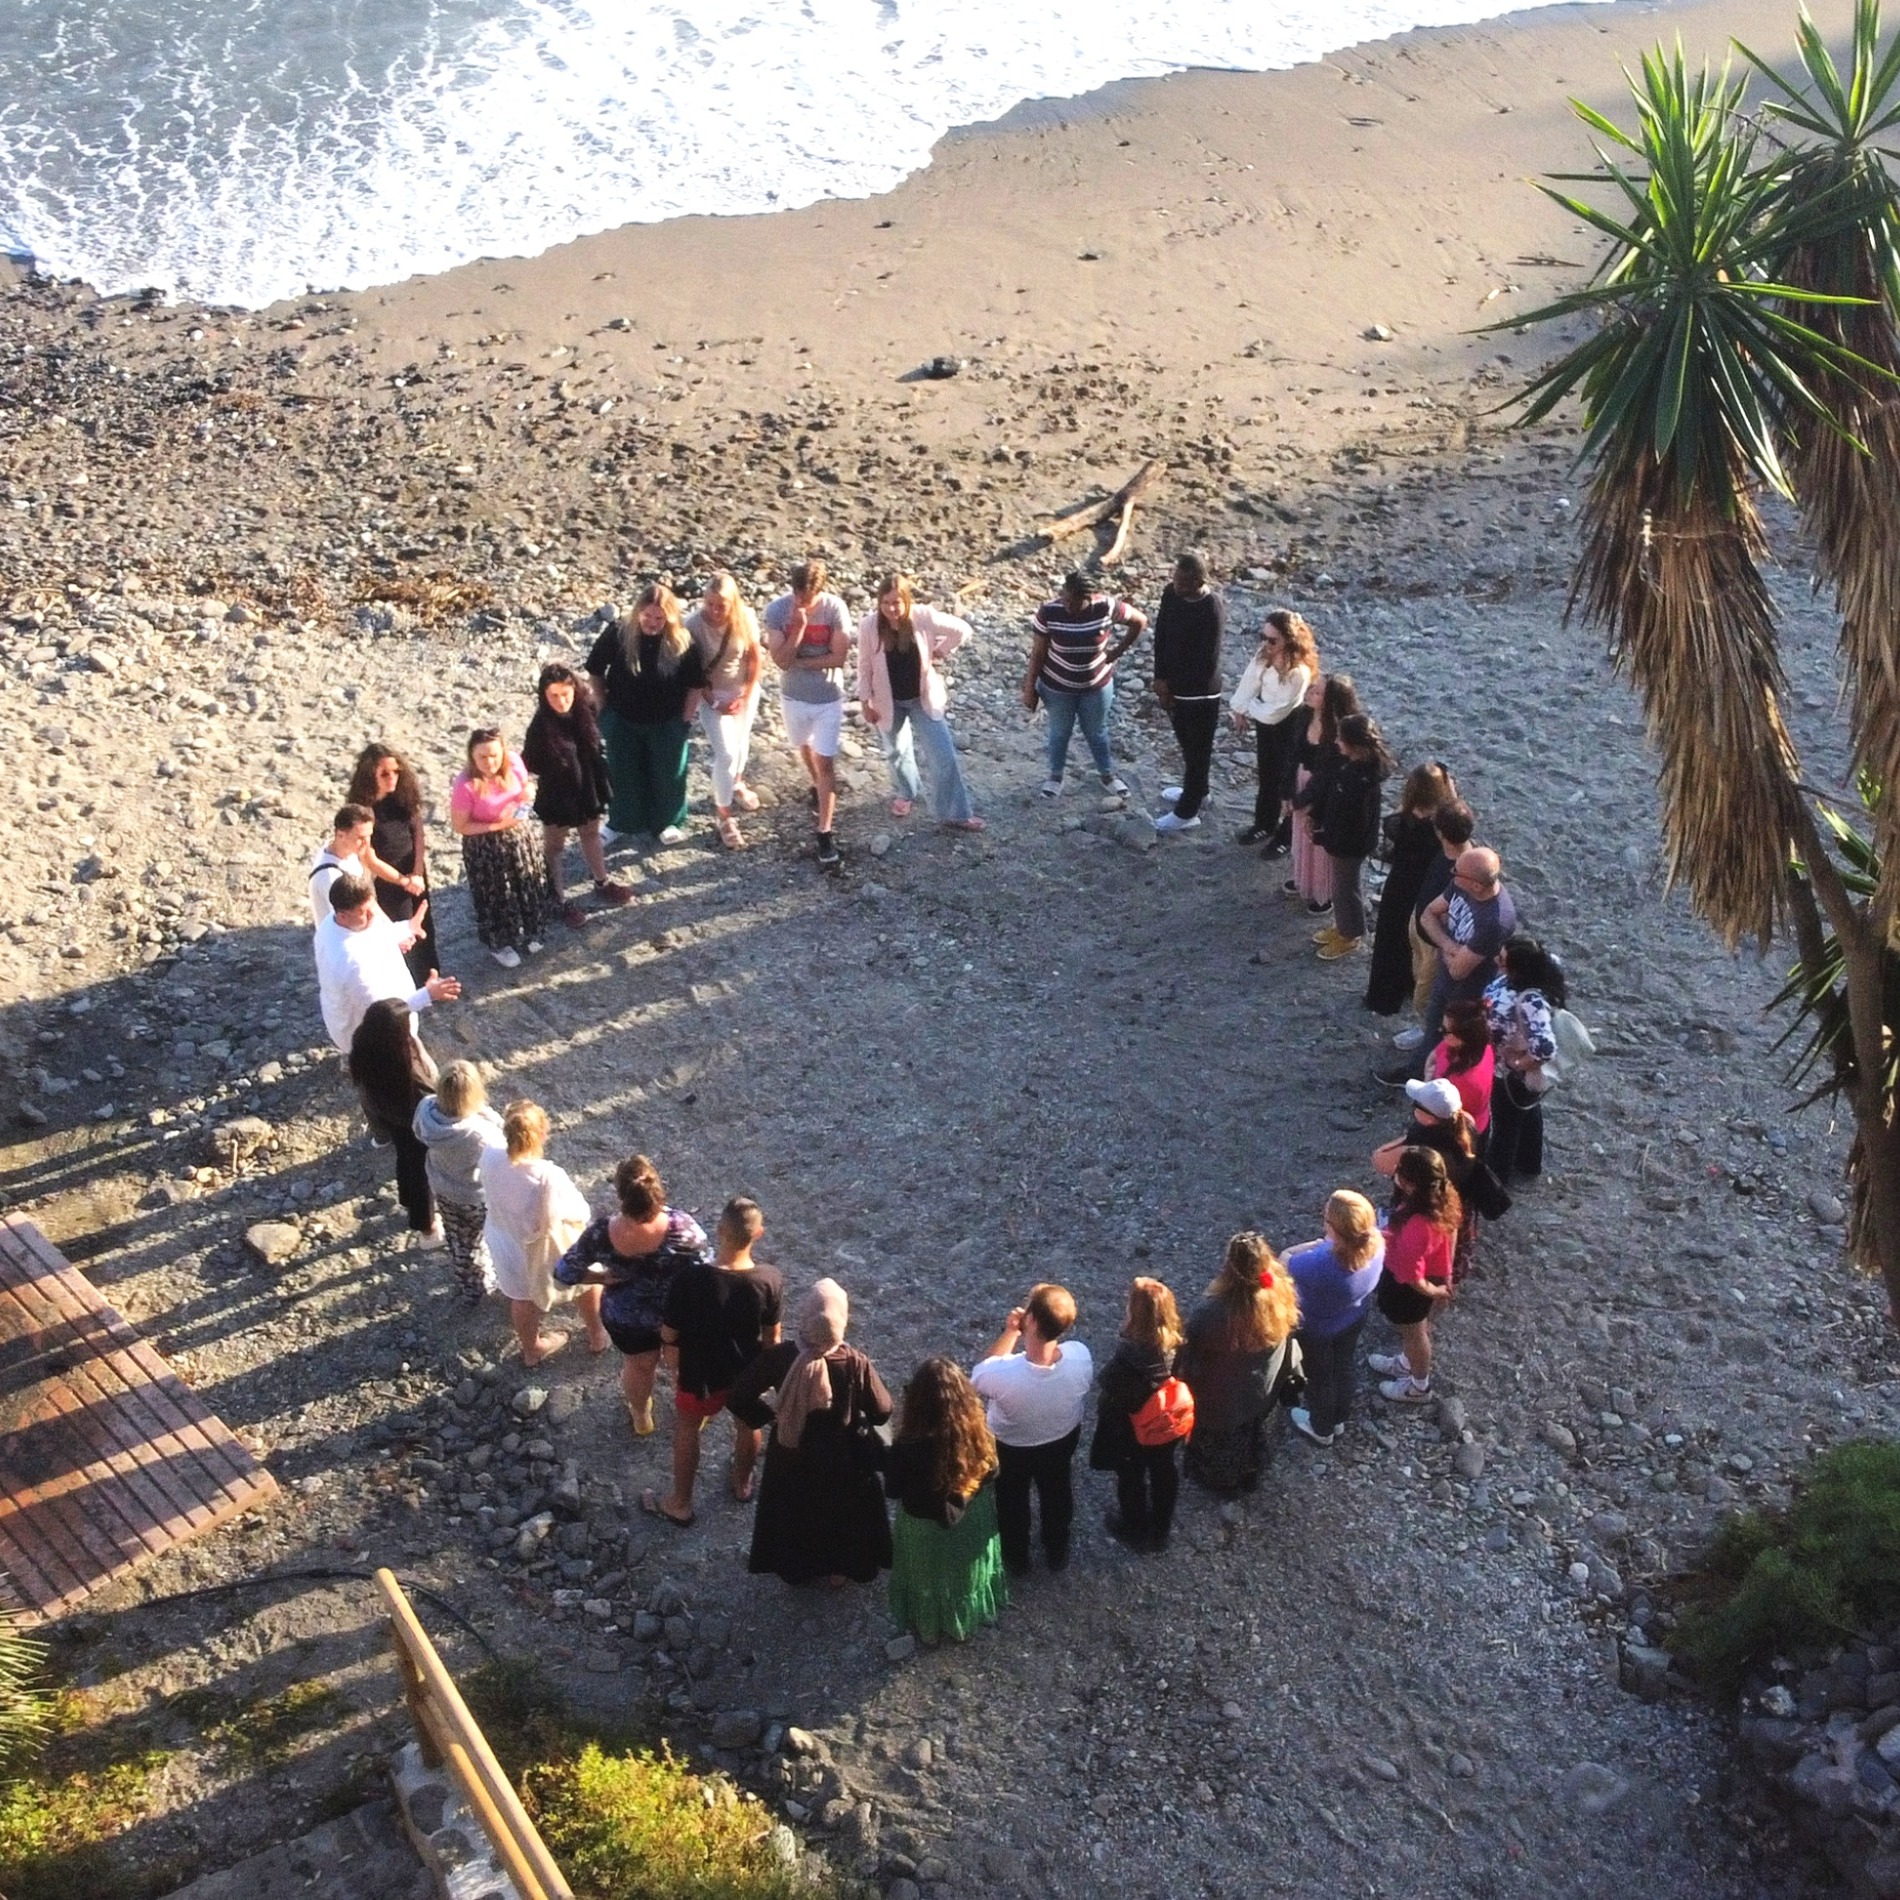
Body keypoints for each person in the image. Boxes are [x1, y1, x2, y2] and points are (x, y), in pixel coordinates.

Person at [729, 1276, 895, 1585]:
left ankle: (797, 1570)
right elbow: (883, 1410)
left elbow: (739, 1397)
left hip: (790, 1451)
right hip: (842, 1455)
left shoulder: (780, 1358)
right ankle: (837, 1570)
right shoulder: (855, 1363)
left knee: (794, 1510)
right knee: (839, 1511)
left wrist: (770, 1417)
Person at [644, 1197, 786, 1528]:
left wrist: (670, 1353)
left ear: (720, 1230)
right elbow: (773, 1340)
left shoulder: (689, 1280)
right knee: (747, 1425)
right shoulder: (770, 1279)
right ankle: (742, 1483)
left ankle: (680, 1503)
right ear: (759, 1233)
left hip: (701, 1373)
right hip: (746, 1374)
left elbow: (669, 1331)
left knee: (688, 1428)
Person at [554, 1155, 709, 1435]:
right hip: (677, 1313)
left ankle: (641, 1417)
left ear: (620, 1195)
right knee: (683, 1363)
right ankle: (690, 1414)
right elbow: (706, 1267)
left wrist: (600, 1277)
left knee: (638, 1367)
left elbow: (564, 1272)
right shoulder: (682, 1229)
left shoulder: (600, 1234)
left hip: (627, 1316)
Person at [970, 1284, 1092, 1577]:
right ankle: (1056, 1549)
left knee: (1012, 1500)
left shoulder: (1003, 1374)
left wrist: (1012, 1332)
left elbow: (982, 1371)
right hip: (1061, 1440)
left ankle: (1017, 1558)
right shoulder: (1080, 1356)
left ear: (1032, 1322)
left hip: (1012, 1447)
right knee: (1057, 1492)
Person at [885, 1357, 1008, 1644]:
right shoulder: (979, 1436)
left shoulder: (905, 1447)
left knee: (926, 1578)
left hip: (923, 1529)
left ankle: (929, 1627)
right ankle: (968, 1615)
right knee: (966, 1572)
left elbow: (892, 1490)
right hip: (972, 1521)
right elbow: (994, 1472)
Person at [479, 1100, 603, 1368]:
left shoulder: (489, 1154)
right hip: (543, 1248)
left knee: (522, 1298)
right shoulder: (549, 1175)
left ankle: (532, 1349)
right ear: (542, 1134)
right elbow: (579, 1211)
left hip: (505, 1241)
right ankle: (596, 1335)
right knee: (586, 1283)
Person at [856, 573, 985, 831]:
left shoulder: (923, 616)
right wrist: (864, 702)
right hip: (887, 699)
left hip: (921, 698)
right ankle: (906, 792)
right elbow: (864, 666)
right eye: (885, 603)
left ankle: (956, 814)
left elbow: (962, 629)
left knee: (943, 755)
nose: (891, 609)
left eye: (897, 603)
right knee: (896, 751)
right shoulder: (869, 626)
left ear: (906, 601)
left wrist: (941, 650)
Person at [1177, 1234, 1303, 1494]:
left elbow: (1190, 1354)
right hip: (1261, 1390)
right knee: (1251, 1431)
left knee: (1219, 1445)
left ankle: (1222, 1482)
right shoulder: (1279, 1294)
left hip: (1221, 1401)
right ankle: (1250, 1468)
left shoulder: (1212, 1314)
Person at [585, 582, 708, 847]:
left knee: (668, 774)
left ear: (669, 617)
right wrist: (603, 708)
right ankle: (620, 822)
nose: (652, 622)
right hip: (622, 718)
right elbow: (595, 669)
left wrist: (684, 722)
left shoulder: (682, 642)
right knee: (621, 771)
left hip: (667, 721)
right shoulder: (618, 633)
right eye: (648, 615)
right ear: (638, 611)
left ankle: (668, 822)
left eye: (659, 617)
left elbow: (695, 685)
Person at [522, 662, 632, 928]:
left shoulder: (587, 710)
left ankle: (601, 881)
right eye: (554, 696)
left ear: (574, 689)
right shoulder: (540, 726)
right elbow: (529, 763)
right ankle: (557, 898)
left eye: (565, 694)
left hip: (588, 785)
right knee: (554, 847)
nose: (561, 701)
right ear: (544, 696)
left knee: (591, 834)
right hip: (557, 793)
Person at [762, 559, 852, 869]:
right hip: (794, 698)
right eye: (798, 594)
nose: (802, 602)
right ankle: (818, 786)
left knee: (825, 761)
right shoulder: (777, 611)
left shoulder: (835, 608)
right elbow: (781, 661)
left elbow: (839, 657)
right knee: (803, 746)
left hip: (828, 697)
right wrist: (798, 629)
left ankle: (824, 832)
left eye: (808, 597)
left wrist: (801, 663)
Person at [1088, 1277, 1187, 1554]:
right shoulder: (1178, 1347)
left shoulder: (1126, 1360)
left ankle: (1135, 1528)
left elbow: (1108, 1403)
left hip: (1134, 1435)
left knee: (1131, 1479)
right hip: (1168, 1427)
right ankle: (1161, 1530)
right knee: (1165, 1472)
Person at [1023, 571, 1144, 797]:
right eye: (1065, 598)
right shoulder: (1049, 611)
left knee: (1097, 732)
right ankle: (1055, 777)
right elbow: (1038, 653)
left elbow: (1139, 621)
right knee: (1060, 732)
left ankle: (1107, 775)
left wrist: (1117, 651)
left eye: (1074, 602)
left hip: (1096, 686)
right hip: (1057, 686)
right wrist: (1029, 688)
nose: (1068, 605)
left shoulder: (1106, 607)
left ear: (1088, 597)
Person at [314, 873, 459, 1053]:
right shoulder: (351, 964)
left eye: (372, 906)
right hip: (379, 1042)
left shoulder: (333, 923)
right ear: (343, 916)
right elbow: (384, 1016)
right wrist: (428, 994)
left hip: (354, 1024)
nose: (373, 916)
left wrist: (406, 928)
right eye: (364, 912)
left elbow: (372, 936)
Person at [1284, 1191, 1385, 1446]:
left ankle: (1322, 1428)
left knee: (1319, 1378)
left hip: (1318, 1329)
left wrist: (1315, 1243)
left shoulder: (1322, 1264)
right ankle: (1339, 1418)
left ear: (1336, 1230)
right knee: (1344, 1366)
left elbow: (1286, 1259)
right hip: (1354, 1317)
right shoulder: (1377, 1245)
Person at [449, 727, 552, 970]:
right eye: (483, 757)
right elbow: (461, 825)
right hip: (485, 845)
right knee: (496, 894)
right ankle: (500, 943)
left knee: (526, 885)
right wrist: (497, 825)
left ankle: (530, 931)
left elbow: (525, 793)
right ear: (473, 757)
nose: (490, 762)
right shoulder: (466, 785)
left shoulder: (514, 763)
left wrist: (526, 800)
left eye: (494, 755)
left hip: (518, 837)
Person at [1385, 797, 1477, 1059]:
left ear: (1440, 832)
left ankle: (1426, 1029)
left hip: (1436, 942)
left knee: (1426, 993)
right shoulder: (1448, 853)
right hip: (1422, 931)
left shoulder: (1464, 868)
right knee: (1419, 977)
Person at [1368, 1147, 1461, 1404]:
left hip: (1409, 1291)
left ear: (1410, 1184)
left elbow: (1413, 1277)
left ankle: (1419, 1387)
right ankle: (1405, 1363)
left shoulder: (1416, 1227)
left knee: (1414, 1333)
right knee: (1416, 1332)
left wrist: (1437, 1292)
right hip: (1433, 1273)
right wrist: (1446, 1279)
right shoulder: (1444, 1197)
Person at [1365, 762, 1456, 1017]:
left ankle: (1382, 997)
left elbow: (1393, 832)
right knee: (1414, 943)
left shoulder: (1400, 821)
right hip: (1428, 887)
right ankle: (1409, 987)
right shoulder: (1441, 826)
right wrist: (1451, 797)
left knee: (1389, 938)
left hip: (1401, 883)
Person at [347, 997, 439, 1244]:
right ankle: (427, 1229)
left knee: (405, 1161)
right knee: (421, 1174)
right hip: (415, 1124)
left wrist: (379, 1133)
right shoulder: (403, 1065)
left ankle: (409, 1200)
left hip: (392, 1119)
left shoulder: (364, 1041)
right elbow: (430, 1092)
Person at [413, 1059, 505, 1304]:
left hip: (443, 1187)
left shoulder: (425, 1109)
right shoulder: (477, 1134)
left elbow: (416, 1131)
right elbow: (503, 1151)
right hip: (474, 1196)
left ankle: (471, 1287)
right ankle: (494, 1283)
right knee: (489, 1238)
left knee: (460, 1240)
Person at [347, 745, 438, 984]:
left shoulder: (402, 796)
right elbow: (369, 858)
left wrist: (417, 872)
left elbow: (417, 831)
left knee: (425, 925)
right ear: (370, 776)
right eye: (384, 774)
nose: (392, 779)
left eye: (395, 772)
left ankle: (430, 977)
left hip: (415, 872)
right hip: (388, 879)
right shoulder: (362, 810)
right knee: (401, 932)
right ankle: (407, 985)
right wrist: (403, 880)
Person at [1229, 609, 1317, 852]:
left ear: (1288, 640)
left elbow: (1277, 711)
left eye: (1272, 640)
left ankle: (1286, 836)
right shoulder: (1263, 658)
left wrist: (1249, 707)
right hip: (1265, 725)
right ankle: (1264, 823)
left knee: (1287, 781)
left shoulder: (1298, 672)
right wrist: (1240, 707)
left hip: (1289, 728)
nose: (1265, 644)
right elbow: (1249, 682)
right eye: (1263, 637)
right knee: (1267, 775)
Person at [687, 572, 764, 849]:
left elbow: (755, 657)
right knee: (726, 753)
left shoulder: (745, 618)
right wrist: (714, 701)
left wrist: (745, 693)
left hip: (742, 689)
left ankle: (737, 783)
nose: (715, 611)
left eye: (721, 605)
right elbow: (691, 672)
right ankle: (724, 815)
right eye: (709, 604)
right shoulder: (693, 625)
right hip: (711, 694)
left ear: (733, 604)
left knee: (742, 742)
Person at [1151, 551, 1226, 833]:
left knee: (1198, 752)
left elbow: (1206, 659)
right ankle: (1200, 790)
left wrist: (1175, 689)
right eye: (1175, 580)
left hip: (1200, 692)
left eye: (1183, 583)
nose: (1177, 587)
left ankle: (1188, 811)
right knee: (1186, 744)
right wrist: (1160, 678)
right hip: (1174, 687)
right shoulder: (1171, 594)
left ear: (1198, 581)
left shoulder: (1211, 608)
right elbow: (1161, 635)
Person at [1484, 935, 1568, 1184]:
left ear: (1518, 969)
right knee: (1528, 1112)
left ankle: (1497, 1177)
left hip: (1511, 1074)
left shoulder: (1531, 1000)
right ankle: (1529, 1163)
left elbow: (1544, 1048)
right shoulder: (1514, 981)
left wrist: (1517, 1065)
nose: (1496, 961)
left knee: (1505, 1126)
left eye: (1502, 960)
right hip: (1511, 1070)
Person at [1313, 711, 1393, 961]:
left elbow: (1348, 819)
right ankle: (1344, 926)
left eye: (1340, 739)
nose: (1336, 742)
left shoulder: (1358, 778)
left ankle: (1351, 934)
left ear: (1354, 746)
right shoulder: (1359, 769)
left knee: (1346, 889)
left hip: (1349, 845)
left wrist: (1326, 836)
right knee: (1342, 887)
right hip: (1347, 842)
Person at [1287, 675, 1361, 914]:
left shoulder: (1340, 734)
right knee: (1300, 835)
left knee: (1318, 841)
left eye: (1317, 692)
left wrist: (1304, 799)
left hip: (1322, 793)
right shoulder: (1305, 715)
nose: (1309, 693)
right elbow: (1293, 753)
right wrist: (1286, 792)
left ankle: (1322, 893)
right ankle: (1303, 880)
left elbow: (1328, 776)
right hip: (1302, 779)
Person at [309, 803, 406, 930]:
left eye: (369, 836)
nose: (367, 843)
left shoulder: (346, 852)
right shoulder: (330, 877)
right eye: (361, 838)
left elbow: (369, 901)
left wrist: (392, 930)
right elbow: (352, 922)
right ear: (341, 835)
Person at [1429, 1000, 1497, 1144]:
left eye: (1444, 1030)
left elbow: (1445, 1112)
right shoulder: (1481, 1047)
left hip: (1460, 1137)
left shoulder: (1464, 1080)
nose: (1440, 1032)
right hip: (1476, 1123)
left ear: (1460, 1038)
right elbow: (1434, 1056)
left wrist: (1428, 1082)